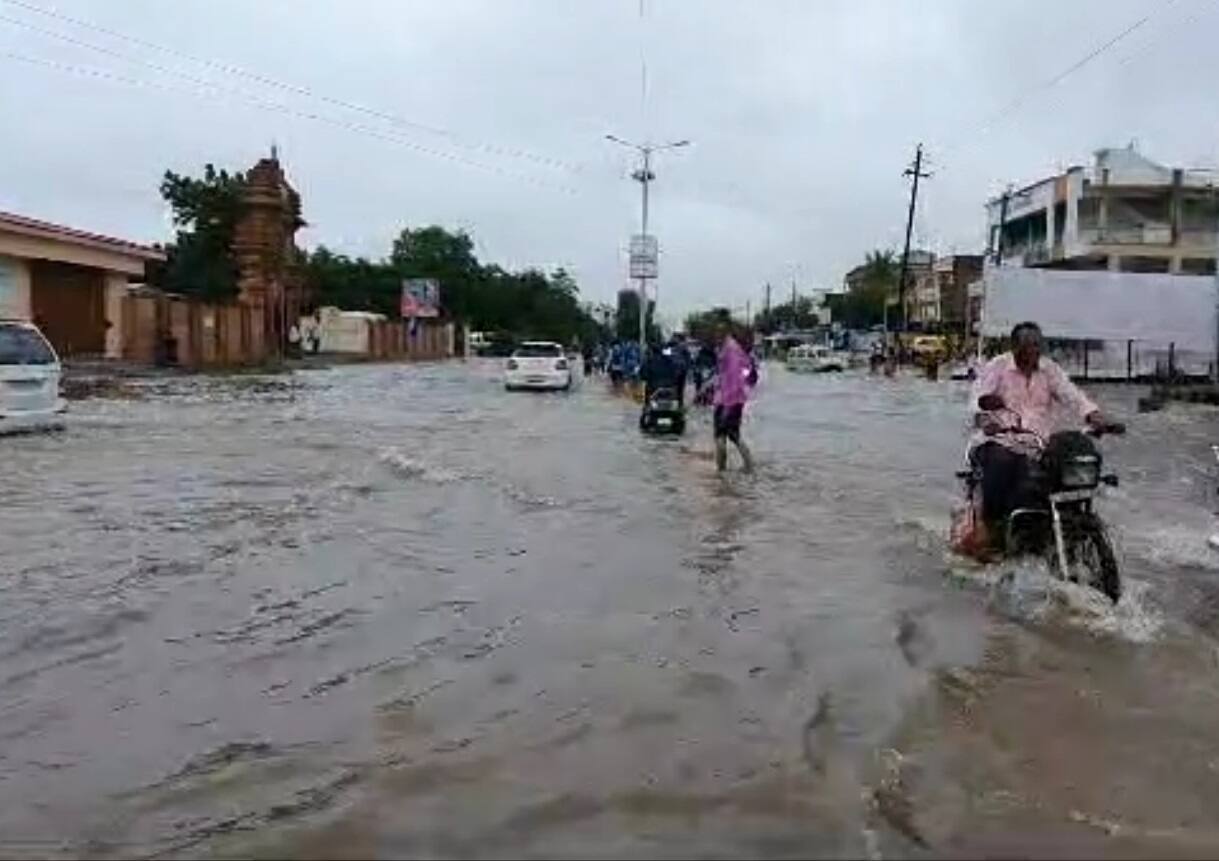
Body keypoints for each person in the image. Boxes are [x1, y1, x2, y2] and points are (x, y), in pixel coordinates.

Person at [969, 321, 1109, 539]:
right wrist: (985, 419)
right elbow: (977, 399)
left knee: (1071, 467)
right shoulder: (997, 367)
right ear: (1014, 347)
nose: (1033, 350)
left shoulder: (1049, 369)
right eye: (1027, 345)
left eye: (1037, 345)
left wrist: (1093, 415)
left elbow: (1071, 395)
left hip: (1039, 444)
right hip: (1001, 440)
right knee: (1002, 462)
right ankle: (994, 527)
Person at [713, 323, 755, 473]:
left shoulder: (730, 350)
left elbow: (734, 377)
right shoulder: (730, 349)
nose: (715, 336)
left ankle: (724, 470)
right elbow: (745, 373)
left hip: (729, 400)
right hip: (729, 399)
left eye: (718, 333)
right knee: (729, 435)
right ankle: (743, 467)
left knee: (726, 435)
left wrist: (728, 404)